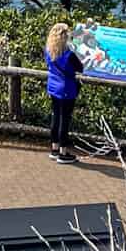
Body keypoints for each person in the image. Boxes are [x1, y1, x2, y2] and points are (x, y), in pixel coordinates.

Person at [45, 21, 84, 164]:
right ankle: (63, 153)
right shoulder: (69, 54)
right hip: (66, 88)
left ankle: (54, 149)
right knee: (64, 120)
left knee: (56, 117)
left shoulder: (48, 50)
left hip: (53, 86)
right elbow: (80, 68)